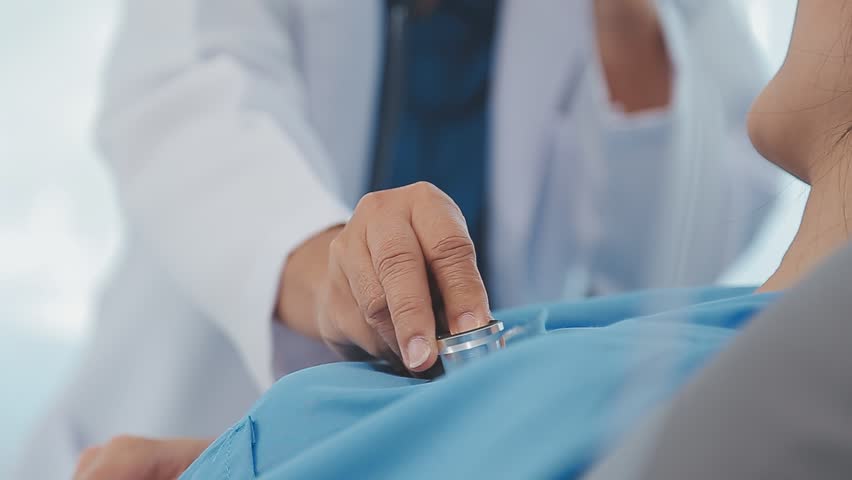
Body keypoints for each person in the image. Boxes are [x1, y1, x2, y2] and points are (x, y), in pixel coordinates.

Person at [70, 1, 852, 478]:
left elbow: (692, 228)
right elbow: (186, 91)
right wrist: (334, 267)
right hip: (210, 419)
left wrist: (625, 23)